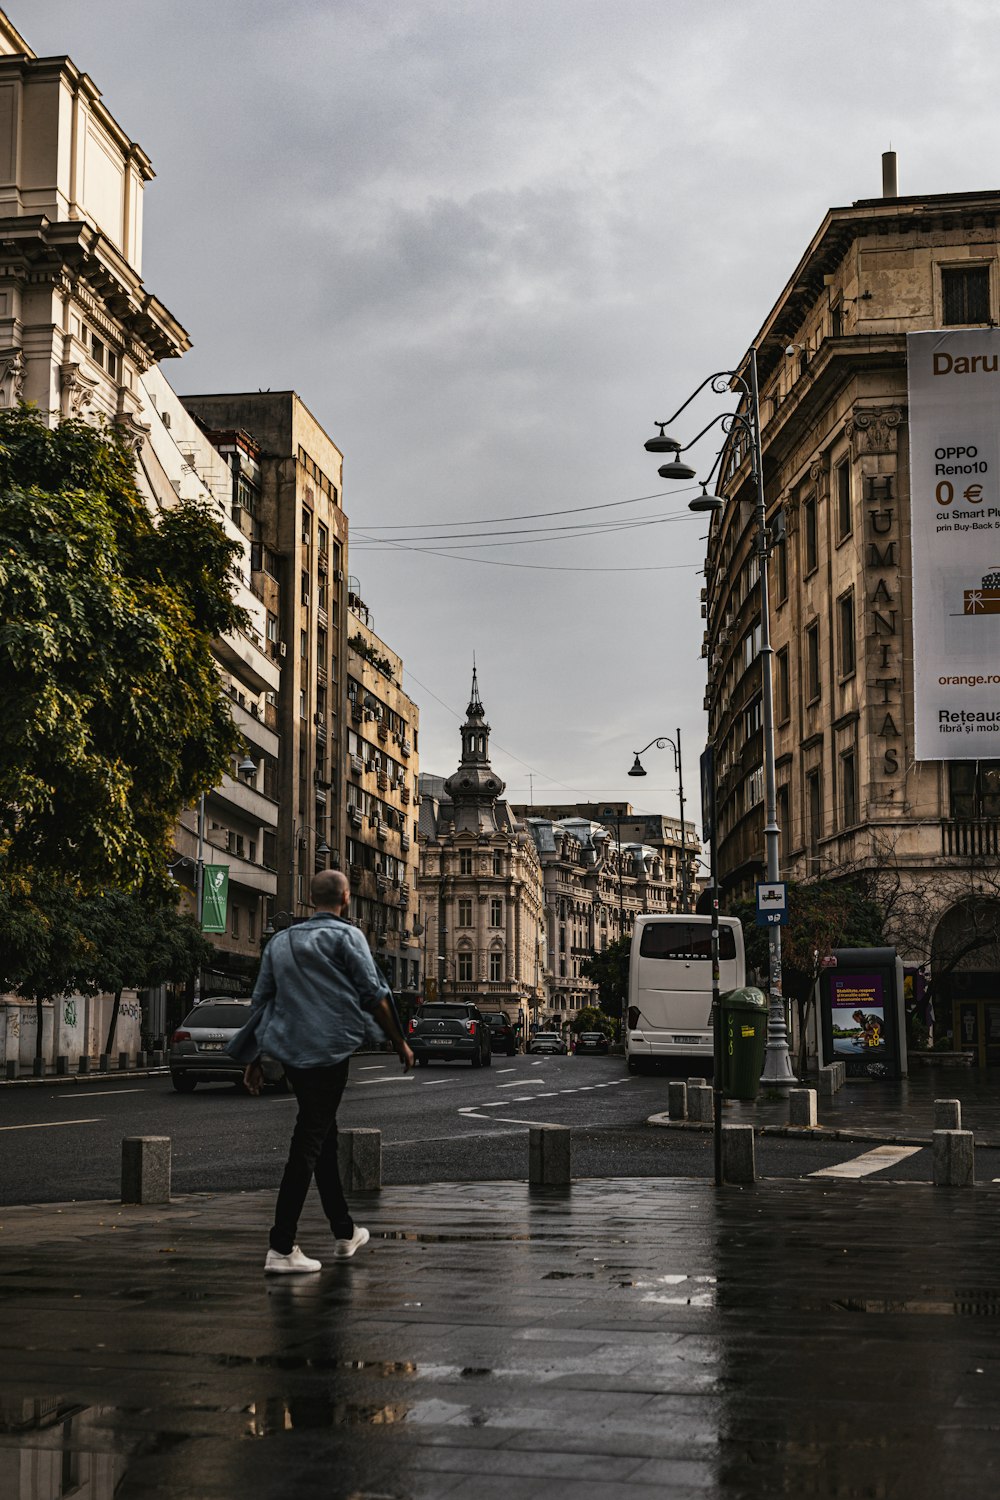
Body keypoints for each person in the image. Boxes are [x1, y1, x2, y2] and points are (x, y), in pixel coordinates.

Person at [229, 868, 414, 1274]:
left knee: (322, 1137)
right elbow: (375, 994)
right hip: (330, 1050)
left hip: (293, 1054)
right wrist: (398, 1040)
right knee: (309, 1140)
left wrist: (254, 1060)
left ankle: (344, 1232)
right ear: (346, 898)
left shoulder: (280, 941)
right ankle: (281, 1246)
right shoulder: (347, 937)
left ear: (313, 899)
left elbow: (262, 1003)